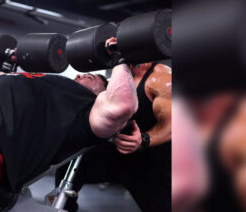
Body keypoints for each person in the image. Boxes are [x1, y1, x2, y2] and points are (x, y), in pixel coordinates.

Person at [0, 37, 138, 196]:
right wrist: (15, 60)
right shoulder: (54, 87)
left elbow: (121, 106)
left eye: (90, 77)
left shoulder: (85, 113)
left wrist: (119, 57)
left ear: (102, 94)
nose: (80, 75)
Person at [56, 62, 172, 212]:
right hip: (120, 154)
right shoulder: (120, 73)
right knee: (72, 160)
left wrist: (144, 139)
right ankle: (65, 207)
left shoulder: (162, 77)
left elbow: (173, 125)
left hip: (153, 161)